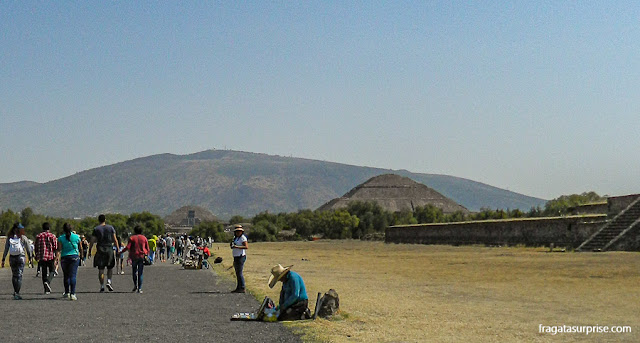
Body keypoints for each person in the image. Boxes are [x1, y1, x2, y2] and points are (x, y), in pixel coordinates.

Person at [88, 214, 119, 292]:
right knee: (110, 267)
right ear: (105, 220)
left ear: (98, 220)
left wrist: (90, 250)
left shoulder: (96, 229)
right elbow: (115, 240)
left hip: (100, 249)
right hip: (109, 248)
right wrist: (118, 249)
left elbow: (92, 241)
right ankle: (109, 281)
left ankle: (102, 286)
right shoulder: (110, 228)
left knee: (101, 269)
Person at [2, 223, 32, 300]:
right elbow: (28, 248)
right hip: (21, 257)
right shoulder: (23, 237)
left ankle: (15, 291)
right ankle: (17, 292)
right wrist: (30, 258)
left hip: (12, 258)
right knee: (19, 275)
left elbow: (6, 249)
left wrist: (3, 259)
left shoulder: (10, 237)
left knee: (14, 275)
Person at [118, 225, 149, 293]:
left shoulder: (132, 238)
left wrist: (121, 252)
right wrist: (146, 254)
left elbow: (128, 247)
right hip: (141, 256)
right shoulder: (144, 238)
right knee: (140, 273)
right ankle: (140, 288)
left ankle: (135, 285)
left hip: (134, 256)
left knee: (134, 272)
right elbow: (147, 248)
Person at [57, 223, 82, 300]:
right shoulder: (76, 237)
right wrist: (81, 255)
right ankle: (73, 293)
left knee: (66, 275)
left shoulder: (61, 238)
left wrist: (57, 258)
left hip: (65, 257)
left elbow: (59, 249)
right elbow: (80, 247)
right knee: (73, 275)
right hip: (74, 257)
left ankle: (67, 292)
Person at [34, 222, 58, 294]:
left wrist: (36, 254)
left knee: (44, 272)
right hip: (50, 256)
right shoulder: (52, 236)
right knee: (52, 271)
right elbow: (55, 247)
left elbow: (36, 246)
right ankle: (48, 282)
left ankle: (45, 288)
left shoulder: (39, 236)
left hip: (42, 256)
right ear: (49, 228)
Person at [230, 224, 248, 293]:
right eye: (237, 231)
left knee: (239, 272)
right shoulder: (235, 238)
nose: (238, 232)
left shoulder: (243, 238)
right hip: (236, 256)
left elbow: (246, 247)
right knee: (237, 273)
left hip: (241, 256)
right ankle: (238, 287)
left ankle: (242, 287)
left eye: (239, 231)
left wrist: (237, 247)